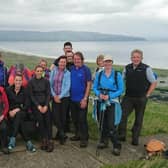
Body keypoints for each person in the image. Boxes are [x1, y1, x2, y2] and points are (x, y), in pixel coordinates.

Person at [118, 49, 157, 146]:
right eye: (134, 57)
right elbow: (121, 80)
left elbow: (154, 82)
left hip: (141, 98)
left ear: (141, 58)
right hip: (128, 97)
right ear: (131, 58)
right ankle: (122, 135)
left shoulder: (147, 68)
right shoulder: (127, 68)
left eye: (137, 57)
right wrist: (120, 90)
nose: (135, 59)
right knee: (122, 116)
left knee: (138, 119)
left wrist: (147, 94)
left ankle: (135, 138)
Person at [93, 56, 124, 156]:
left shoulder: (117, 75)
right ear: (103, 62)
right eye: (106, 61)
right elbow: (95, 87)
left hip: (112, 102)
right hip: (100, 100)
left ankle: (116, 145)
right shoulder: (99, 74)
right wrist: (99, 94)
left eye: (109, 61)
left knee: (111, 125)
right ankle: (104, 141)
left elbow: (121, 89)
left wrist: (109, 96)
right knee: (102, 122)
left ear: (112, 62)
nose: (107, 63)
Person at [6, 73, 36, 152]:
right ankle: (28, 142)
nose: (18, 82)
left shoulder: (25, 91)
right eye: (16, 80)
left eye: (20, 80)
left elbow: (27, 105)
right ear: (14, 81)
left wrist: (17, 109)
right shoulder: (8, 90)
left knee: (19, 115)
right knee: (19, 122)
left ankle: (12, 138)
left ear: (22, 81)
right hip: (11, 114)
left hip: (22, 112)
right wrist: (9, 111)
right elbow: (6, 103)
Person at [28, 65, 53, 152]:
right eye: (37, 71)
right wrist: (38, 106)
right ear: (34, 71)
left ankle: (50, 140)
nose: (39, 72)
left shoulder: (46, 81)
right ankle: (43, 140)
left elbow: (48, 94)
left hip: (45, 104)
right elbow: (31, 96)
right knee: (41, 121)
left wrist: (46, 105)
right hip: (36, 106)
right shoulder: (31, 82)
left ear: (43, 72)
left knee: (48, 121)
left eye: (40, 71)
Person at [70, 51, 92, 148]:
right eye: (75, 59)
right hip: (72, 99)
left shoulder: (86, 69)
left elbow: (88, 85)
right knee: (75, 119)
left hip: (82, 99)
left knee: (82, 119)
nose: (76, 61)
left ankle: (84, 138)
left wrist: (85, 98)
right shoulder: (71, 69)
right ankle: (77, 135)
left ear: (82, 60)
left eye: (78, 59)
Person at [50, 56, 70, 145]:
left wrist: (60, 96)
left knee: (62, 117)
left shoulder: (68, 73)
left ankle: (60, 136)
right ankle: (62, 134)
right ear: (58, 62)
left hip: (64, 98)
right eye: (61, 62)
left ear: (66, 63)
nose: (62, 63)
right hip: (54, 97)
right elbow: (50, 84)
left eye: (64, 62)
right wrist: (54, 96)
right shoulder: (54, 71)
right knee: (55, 116)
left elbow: (67, 87)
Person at [0, 86, 9, 154]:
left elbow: (6, 105)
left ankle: (4, 146)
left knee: (4, 127)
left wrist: (3, 115)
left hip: (2, 114)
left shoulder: (2, 91)